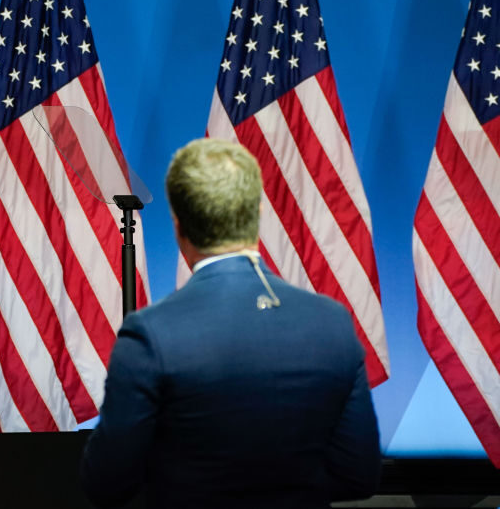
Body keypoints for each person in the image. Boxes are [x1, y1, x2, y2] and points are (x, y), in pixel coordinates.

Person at [81, 138, 381, 508]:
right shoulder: (331, 322)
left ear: (178, 225)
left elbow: (106, 483)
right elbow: (360, 474)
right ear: (256, 211)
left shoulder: (151, 335)